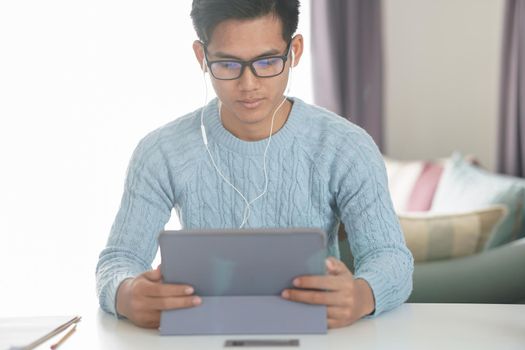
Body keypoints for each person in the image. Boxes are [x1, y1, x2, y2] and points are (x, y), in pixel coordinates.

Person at [96, 0, 414, 330]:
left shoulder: (347, 147)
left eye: (267, 61)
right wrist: (126, 293)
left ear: (296, 51)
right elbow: (119, 260)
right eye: (228, 64)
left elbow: (391, 259)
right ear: (201, 57)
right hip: (202, 335)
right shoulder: (160, 152)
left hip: (317, 336)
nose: (249, 84)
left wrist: (361, 295)